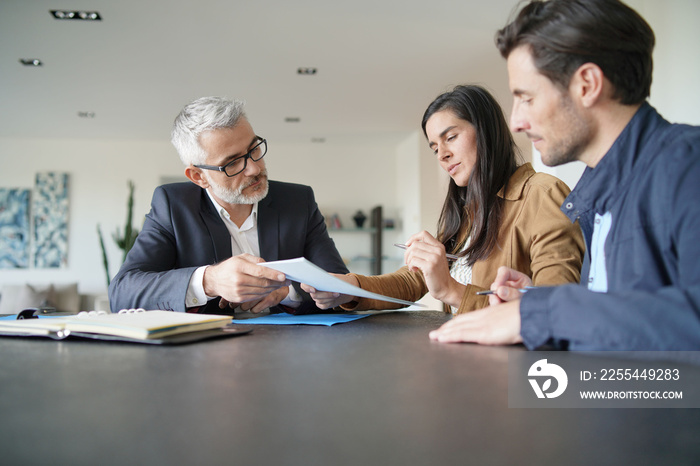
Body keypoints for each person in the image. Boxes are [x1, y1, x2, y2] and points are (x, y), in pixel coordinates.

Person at [429, 0, 700, 350]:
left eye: (526, 98)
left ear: (586, 84)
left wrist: (543, 311)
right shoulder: (597, 197)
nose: (516, 122)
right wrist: (531, 298)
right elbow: (624, 322)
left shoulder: (687, 166)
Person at [302, 85, 584, 315]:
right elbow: (413, 281)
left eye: (451, 137)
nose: (442, 155)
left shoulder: (543, 194)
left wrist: (451, 290)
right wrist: (349, 287)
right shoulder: (468, 211)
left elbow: (556, 309)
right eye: (435, 147)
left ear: (486, 131)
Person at [109, 96, 348, 314]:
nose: (255, 169)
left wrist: (287, 293)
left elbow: (340, 284)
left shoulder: (298, 201)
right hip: (204, 355)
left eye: (254, 149)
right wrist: (209, 281)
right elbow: (122, 293)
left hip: (289, 350)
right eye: (232, 163)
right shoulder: (173, 206)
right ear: (198, 177)